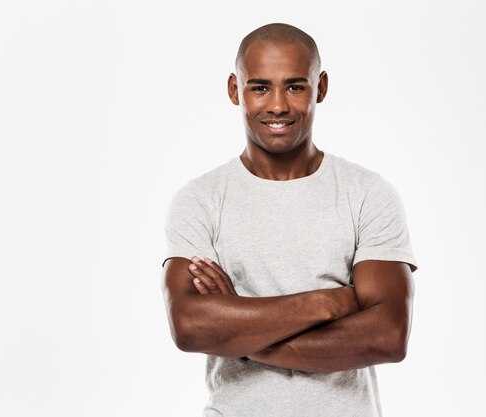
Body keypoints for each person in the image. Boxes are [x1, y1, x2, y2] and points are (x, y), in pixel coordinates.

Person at [161, 22, 418, 417]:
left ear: (322, 88)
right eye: (260, 87)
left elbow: (388, 336)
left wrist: (237, 327)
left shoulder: (367, 194)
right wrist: (328, 303)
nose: (278, 105)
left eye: (296, 86)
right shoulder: (201, 200)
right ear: (235, 90)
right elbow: (189, 327)